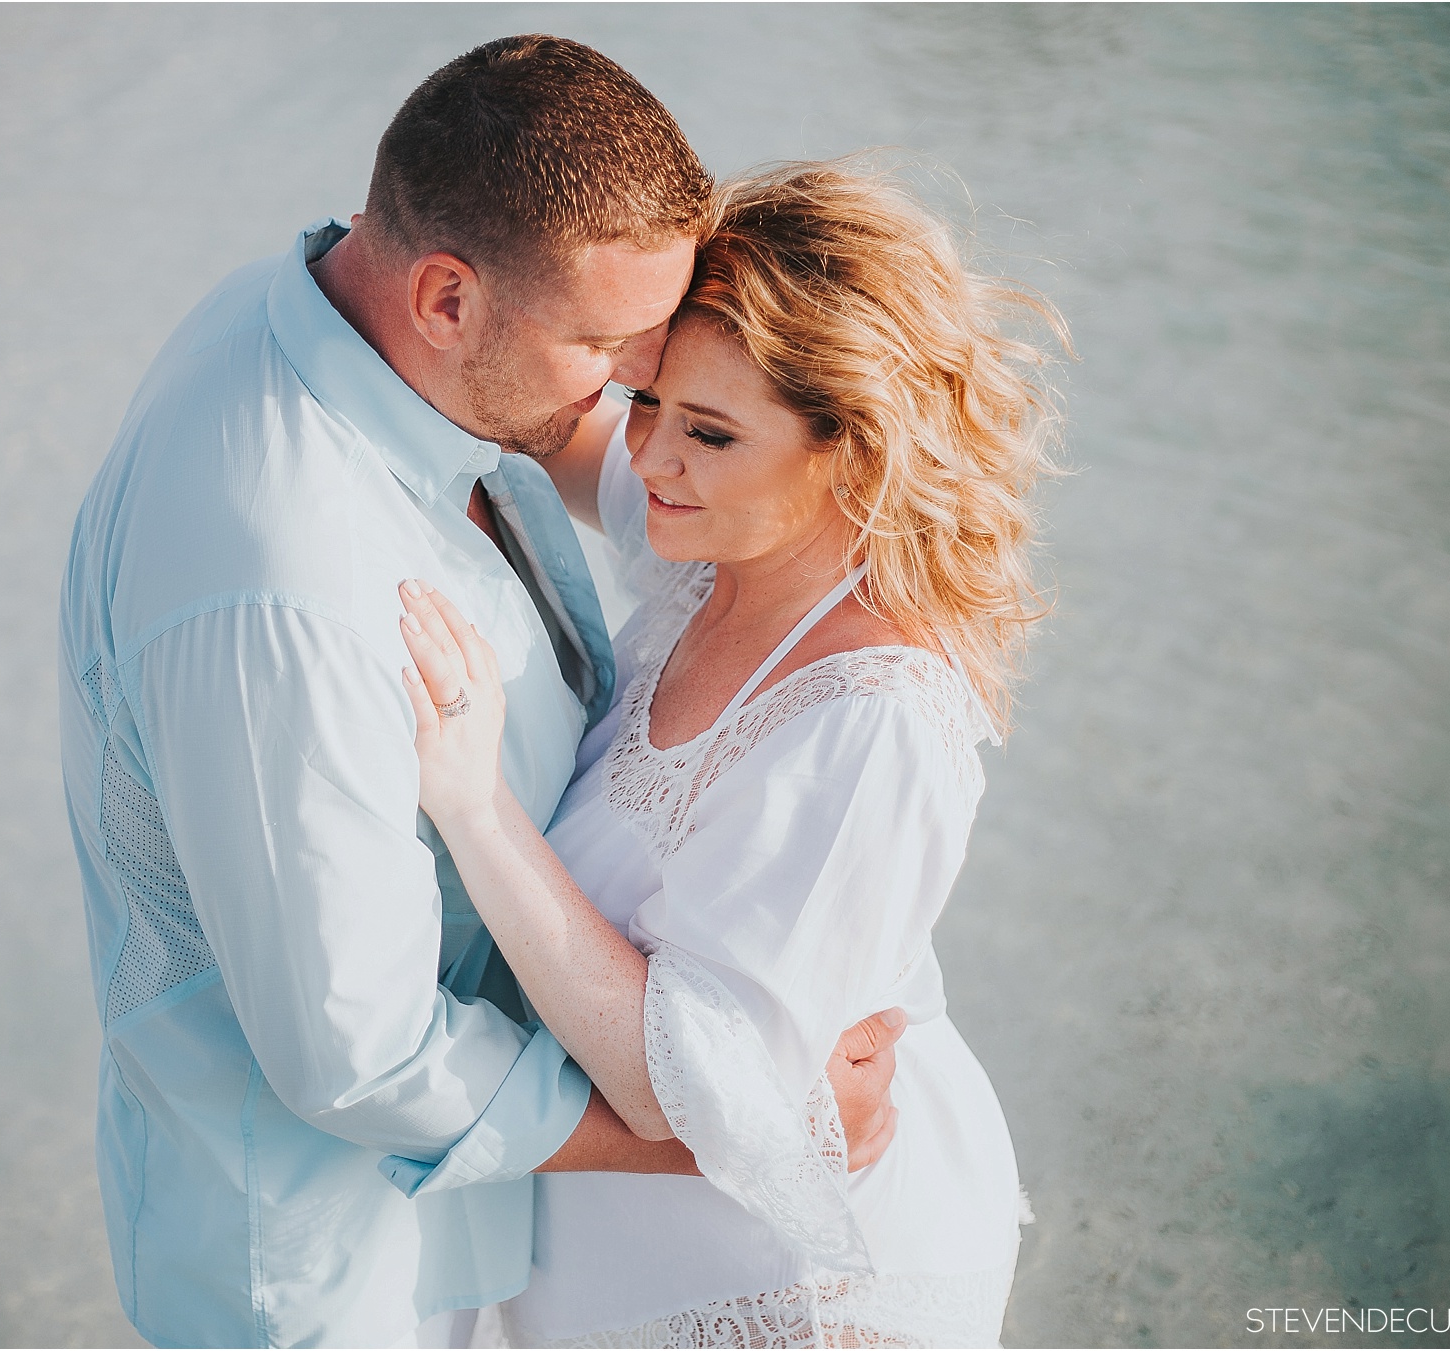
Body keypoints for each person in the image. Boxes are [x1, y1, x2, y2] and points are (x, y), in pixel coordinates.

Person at [59, 39, 904, 1348]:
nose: (635, 382)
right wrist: (728, 1140)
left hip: (465, 1225)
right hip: (329, 1274)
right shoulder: (283, 589)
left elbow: (629, 467)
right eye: (605, 341)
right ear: (446, 297)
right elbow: (360, 1049)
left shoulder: (337, 320)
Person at [396, 162, 1066, 1347]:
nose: (649, 457)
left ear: (849, 452)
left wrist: (470, 801)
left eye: (705, 430)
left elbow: (675, 1078)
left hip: (779, 1289)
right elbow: (547, 411)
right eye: (650, 398)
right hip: (633, 1245)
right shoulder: (718, 543)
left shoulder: (874, 719)